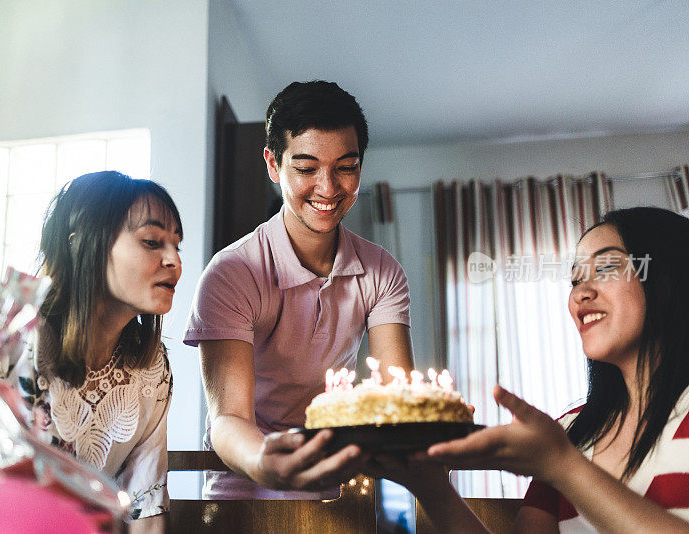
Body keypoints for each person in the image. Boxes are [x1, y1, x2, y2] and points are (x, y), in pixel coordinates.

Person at [373, 207, 689, 533]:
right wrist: (431, 488)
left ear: (667, 280)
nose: (581, 293)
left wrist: (563, 466)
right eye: (575, 279)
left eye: (607, 268)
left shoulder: (558, 450)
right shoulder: (570, 432)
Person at [183, 80, 415, 499]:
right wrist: (267, 462)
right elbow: (228, 419)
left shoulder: (382, 273)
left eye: (345, 167)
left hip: (335, 490)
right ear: (273, 165)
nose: (328, 189)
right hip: (244, 492)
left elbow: (394, 399)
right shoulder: (232, 274)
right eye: (306, 168)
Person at [4, 171, 182, 533]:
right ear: (81, 244)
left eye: (177, 246)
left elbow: (146, 507)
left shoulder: (152, 370)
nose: (174, 261)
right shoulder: (9, 338)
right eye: (151, 241)